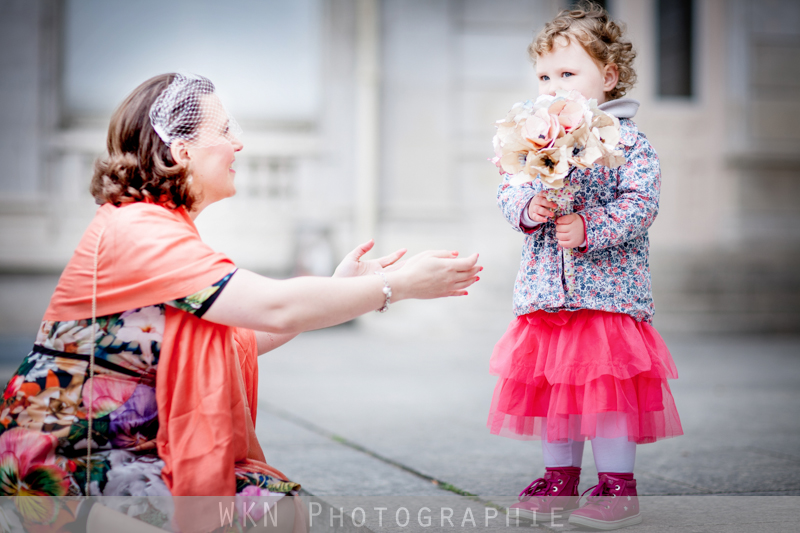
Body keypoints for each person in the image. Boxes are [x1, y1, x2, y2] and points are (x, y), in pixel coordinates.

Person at [0, 73, 481, 532]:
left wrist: (342, 288)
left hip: (114, 449)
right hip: (64, 458)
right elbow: (274, 306)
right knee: (267, 510)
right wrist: (397, 285)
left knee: (273, 505)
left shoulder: (152, 225)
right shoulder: (137, 229)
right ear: (180, 148)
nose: (240, 143)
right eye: (226, 129)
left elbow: (244, 336)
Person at [487, 3, 682, 530]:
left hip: (606, 299)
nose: (553, 87)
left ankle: (618, 488)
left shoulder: (628, 142)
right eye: (545, 76)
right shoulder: (531, 139)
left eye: (568, 74)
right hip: (549, 298)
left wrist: (590, 227)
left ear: (609, 76)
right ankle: (560, 481)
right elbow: (511, 188)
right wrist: (531, 209)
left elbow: (641, 204)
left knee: (608, 399)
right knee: (559, 399)